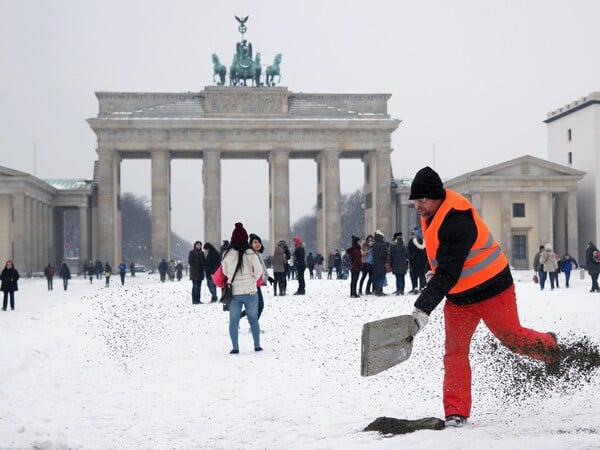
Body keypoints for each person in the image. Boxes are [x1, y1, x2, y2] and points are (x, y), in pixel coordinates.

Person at [408, 166, 559, 428]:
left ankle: (549, 346)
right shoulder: (431, 215)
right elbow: (439, 258)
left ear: (437, 196)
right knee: (454, 352)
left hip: (492, 289)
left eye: (423, 199)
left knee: (512, 338)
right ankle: (456, 411)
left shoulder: (457, 219)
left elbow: (450, 270)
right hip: (459, 299)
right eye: (415, 200)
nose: (418, 205)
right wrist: (431, 272)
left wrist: (422, 309)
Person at [219, 223, 263, 354]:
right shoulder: (251, 253)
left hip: (235, 293)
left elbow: (225, 272)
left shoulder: (227, 254)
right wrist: (252, 280)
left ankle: (235, 347)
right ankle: (257, 345)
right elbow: (259, 270)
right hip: (250, 292)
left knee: (233, 321)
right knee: (253, 319)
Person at [241, 233, 270, 320]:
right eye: (255, 242)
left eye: (259, 242)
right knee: (259, 305)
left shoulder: (257, 254)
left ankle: (238, 316)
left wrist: (268, 277)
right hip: (252, 284)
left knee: (255, 305)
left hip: (256, 284)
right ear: (250, 244)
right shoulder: (250, 255)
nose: (258, 244)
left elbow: (261, 268)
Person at [407, 229, 427, 294]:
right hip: (422, 261)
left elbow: (409, 251)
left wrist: (410, 258)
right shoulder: (424, 241)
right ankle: (422, 286)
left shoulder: (411, 241)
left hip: (414, 260)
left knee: (414, 274)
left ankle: (415, 287)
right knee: (422, 274)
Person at [371, 230, 389, 296]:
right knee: (381, 276)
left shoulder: (374, 245)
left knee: (377, 277)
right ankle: (379, 290)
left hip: (375, 263)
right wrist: (386, 256)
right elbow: (383, 254)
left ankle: (376, 290)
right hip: (381, 263)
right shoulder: (382, 245)